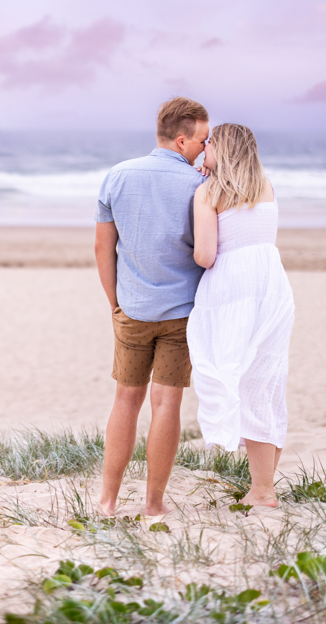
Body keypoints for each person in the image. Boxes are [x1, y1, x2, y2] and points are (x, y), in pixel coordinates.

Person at [94, 97, 210, 517]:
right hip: (180, 312)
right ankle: (153, 504)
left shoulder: (117, 175)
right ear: (182, 140)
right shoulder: (200, 186)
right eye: (201, 140)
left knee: (125, 400)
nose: (204, 148)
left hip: (132, 308)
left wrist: (115, 303)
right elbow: (208, 250)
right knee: (167, 404)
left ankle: (107, 501)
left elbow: (102, 247)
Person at [187, 123, 295, 508]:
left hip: (234, 288)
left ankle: (263, 491)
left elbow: (205, 255)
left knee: (233, 375)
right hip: (272, 285)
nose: (203, 150)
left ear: (223, 147)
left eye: (209, 144)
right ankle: (262, 486)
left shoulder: (209, 192)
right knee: (264, 382)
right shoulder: (265, 184)